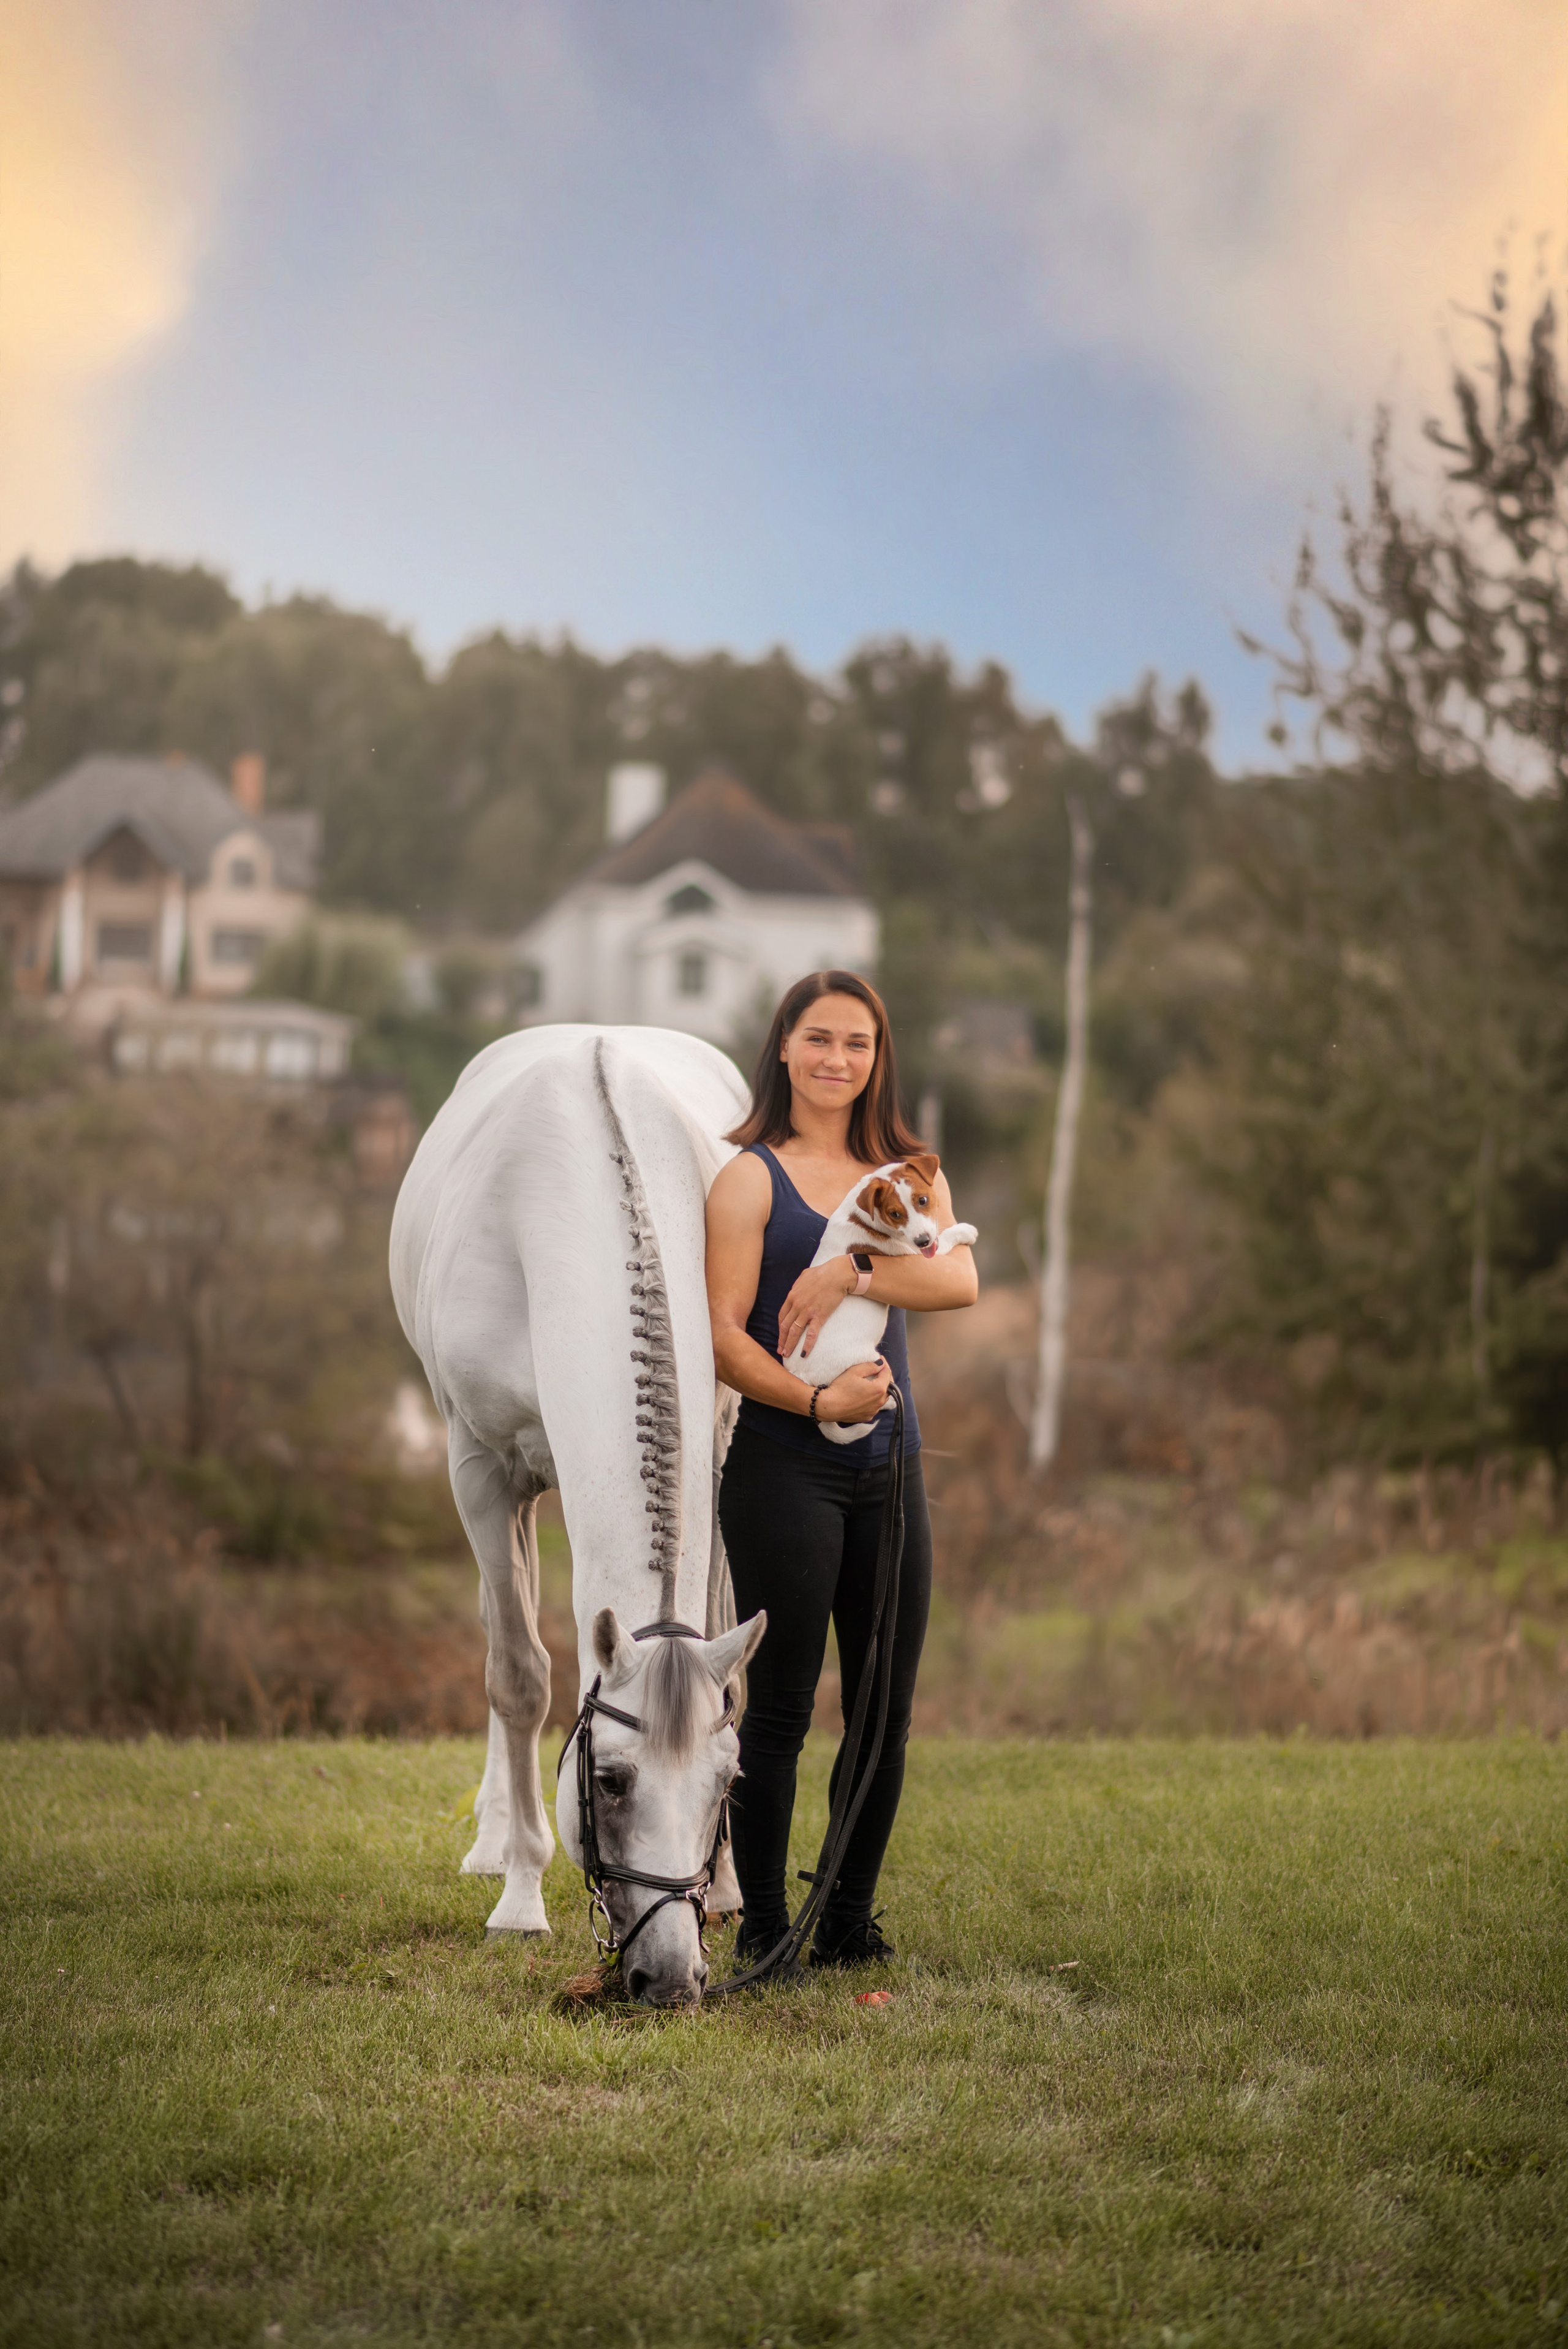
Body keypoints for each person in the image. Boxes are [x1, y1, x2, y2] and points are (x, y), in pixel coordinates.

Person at [705, 970, 978, 1967]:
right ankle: (766, 1934)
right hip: (784, 1470)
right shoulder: (749, 1179)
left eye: (857, 1042)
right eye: (818, 1038)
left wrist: (851, 1269)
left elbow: (959, 1279)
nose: (836, 1059)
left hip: (890, 1472)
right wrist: (819, 1405)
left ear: (878, 1057)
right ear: (784, 1046)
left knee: (881, 1713)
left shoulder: (908, 1172)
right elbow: (724, 1340)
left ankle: (849, 1925)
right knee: (779, 1712)